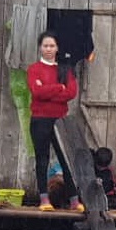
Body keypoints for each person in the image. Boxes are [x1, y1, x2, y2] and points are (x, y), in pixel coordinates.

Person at [26, 32, 82, 211]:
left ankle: (74, 200)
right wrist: (59, 88)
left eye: (52, 46)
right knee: (41, 160)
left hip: (60, 121)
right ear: (40, 48)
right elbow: (36, 92)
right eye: (45, 46)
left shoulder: (65, 69)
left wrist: (48, 91)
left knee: (66, 160)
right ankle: (44, 199)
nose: (48, 49)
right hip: (40, 120)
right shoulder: (34, 69)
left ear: (57, 48)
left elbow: (71, 93)